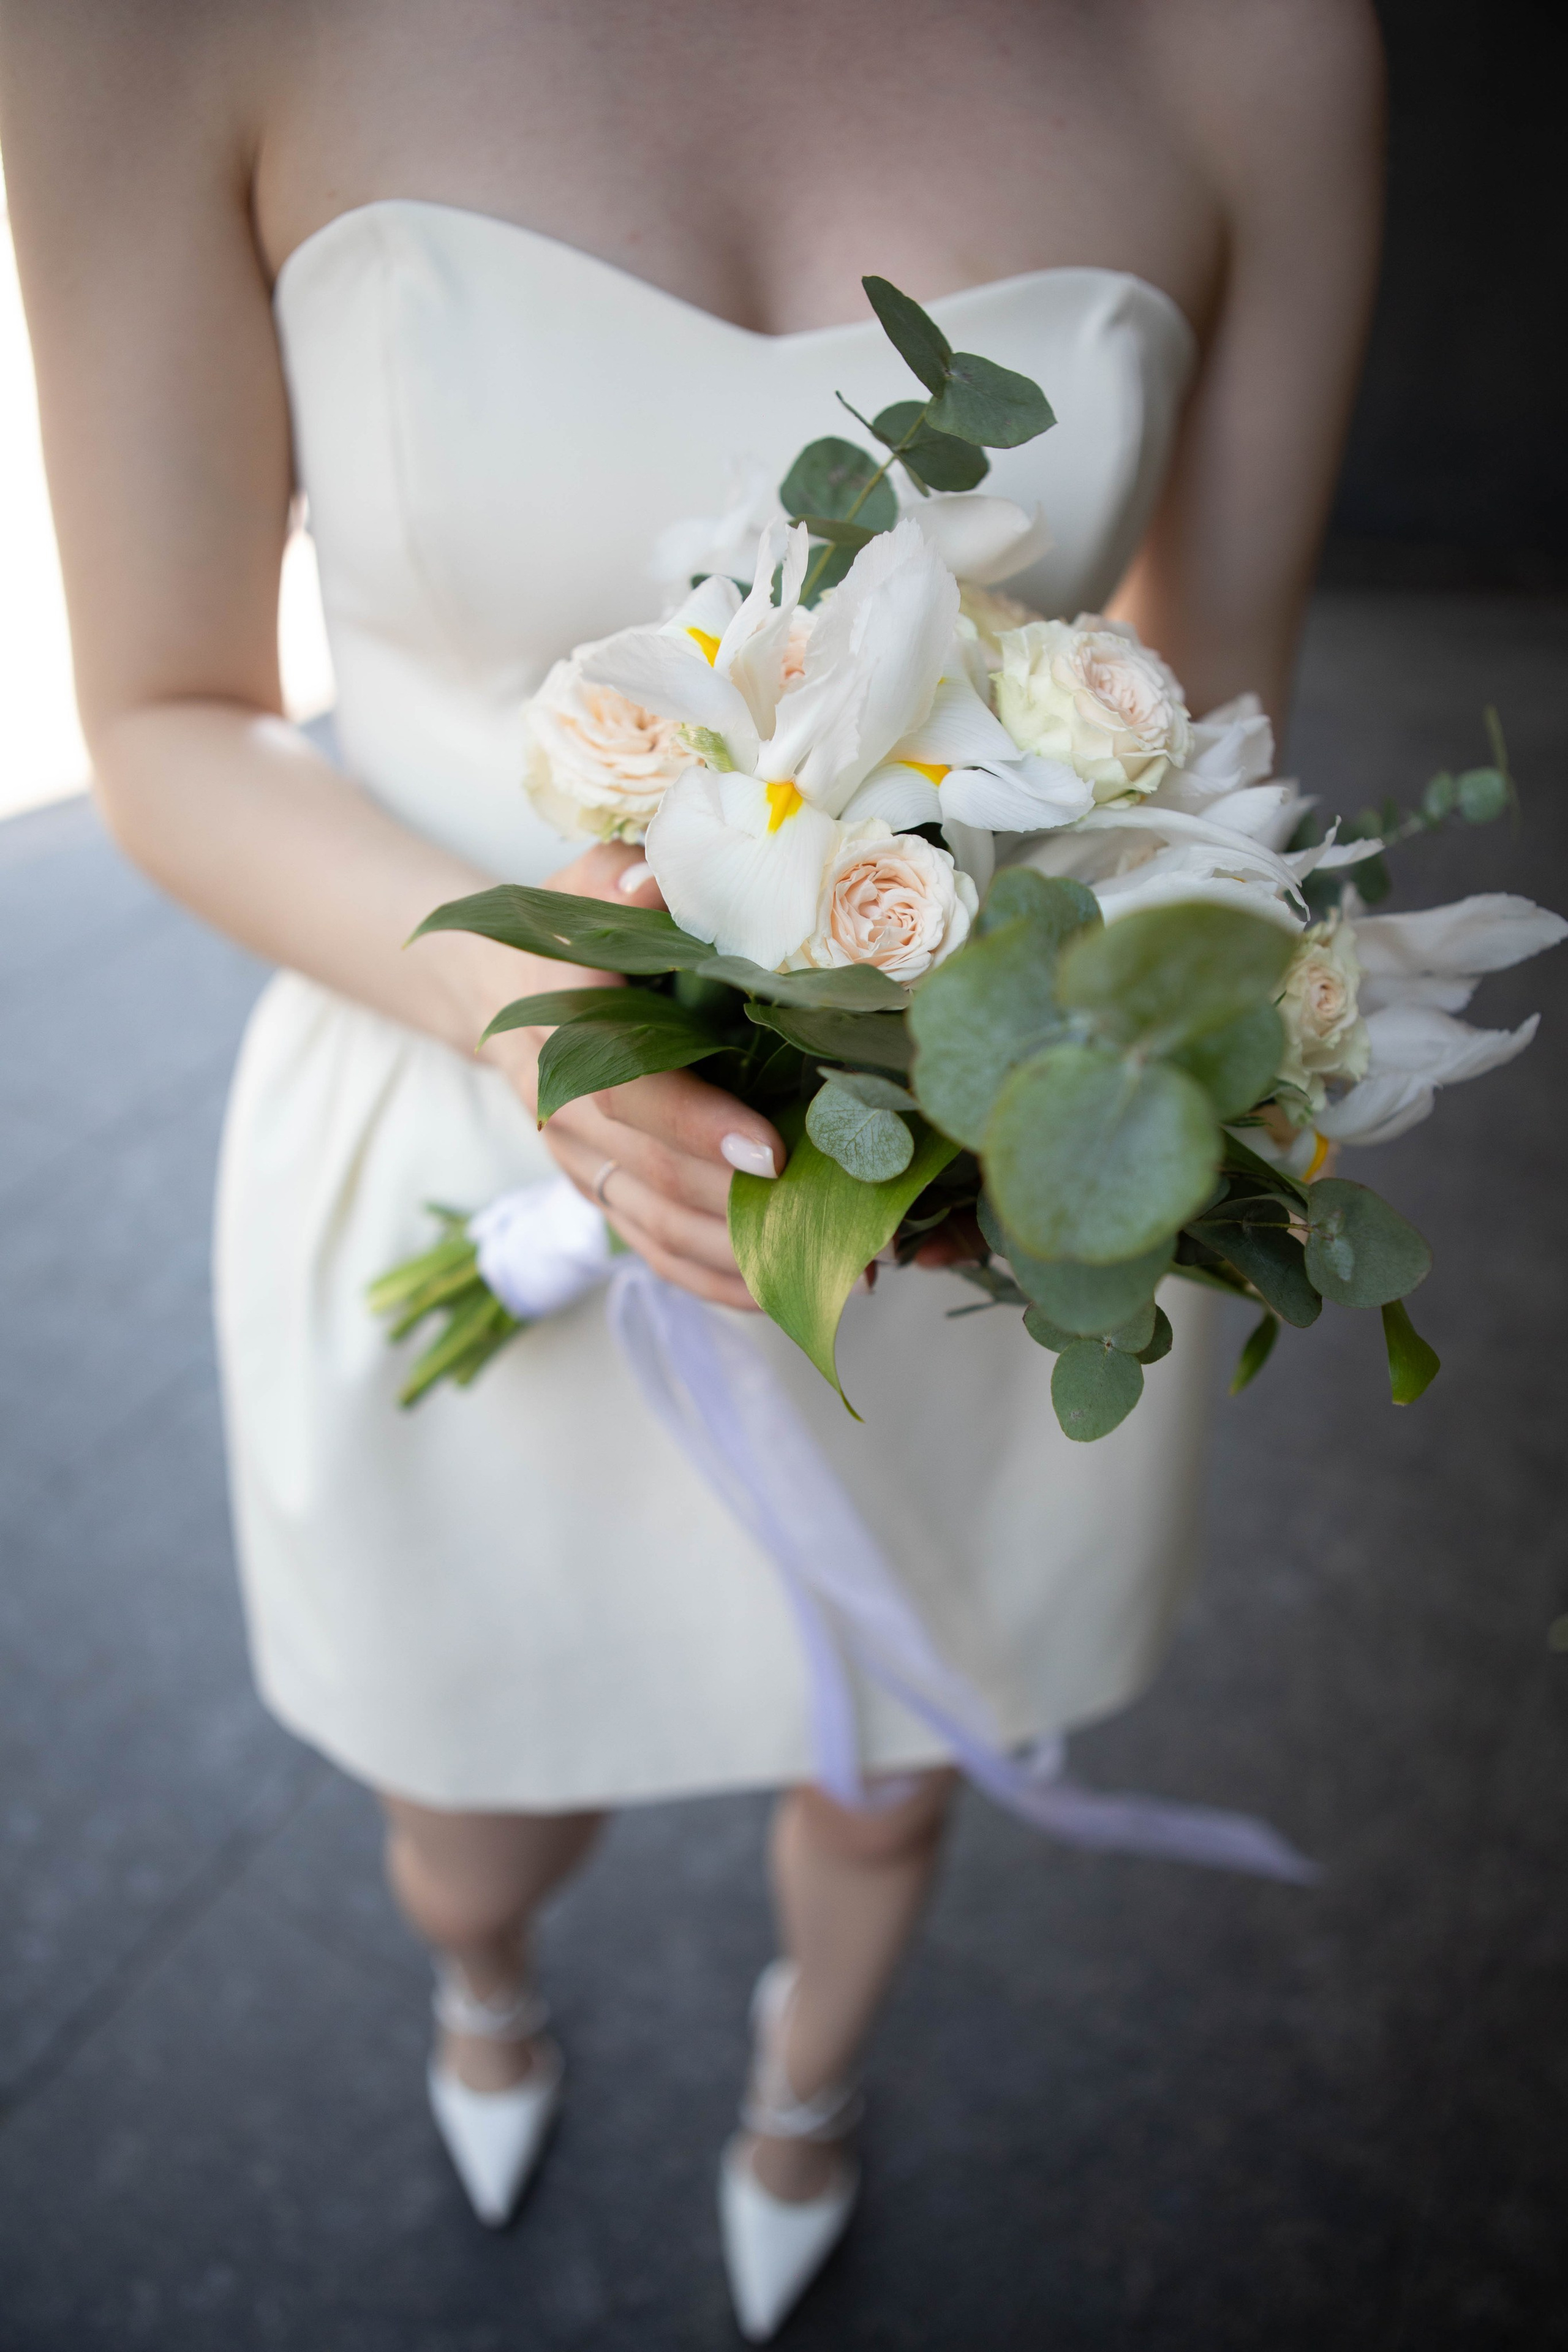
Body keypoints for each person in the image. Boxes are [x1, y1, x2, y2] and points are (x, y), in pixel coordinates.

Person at [0, 1, 1383, 2335]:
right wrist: (536, 1009)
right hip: (455, 1108)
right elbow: (161, 711)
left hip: (955, 1169)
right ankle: (485, 1989)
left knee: (892, 1772)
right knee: (471, 1807)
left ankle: (806, 2090)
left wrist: (1076, 1083)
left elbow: (1216, 695)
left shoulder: (1260, 42)